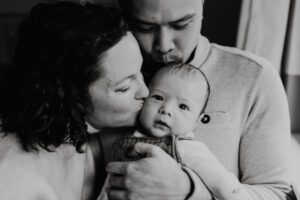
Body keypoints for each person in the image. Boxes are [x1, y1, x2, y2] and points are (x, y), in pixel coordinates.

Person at [104, 0, 297, 199]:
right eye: (145, 27)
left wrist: (189, 191)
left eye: (181, 25)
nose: (164, 46)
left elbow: (278, 195)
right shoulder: (103, 71)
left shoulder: (255, 77)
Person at [0, 2, 148, 200]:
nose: (145, 91)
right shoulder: (12, 180)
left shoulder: (84, 131)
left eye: (140, 72)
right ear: (72, 97)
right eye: (124, 88)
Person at [100, 64, 246, 200]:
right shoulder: (128, 136)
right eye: (158, 97)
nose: (166, 109)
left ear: (196, 121)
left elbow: (222, 182)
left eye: (183, 106)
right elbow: (109, 185)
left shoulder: (187, 148)